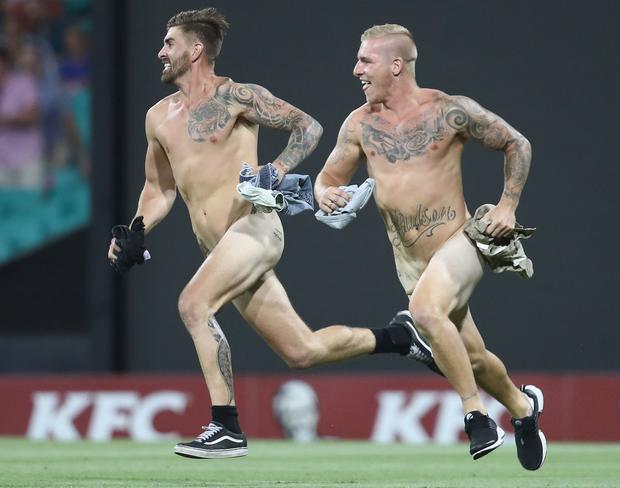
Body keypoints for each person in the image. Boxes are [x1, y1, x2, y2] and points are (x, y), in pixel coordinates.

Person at [107, 9, 435, 460]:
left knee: (192, 304)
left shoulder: (237, 96)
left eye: (169, 43)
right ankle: (400, 337)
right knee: (302, 351)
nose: (160, 51)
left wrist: (275, 169)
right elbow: (158, 189)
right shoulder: (158, 117)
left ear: (195, 50)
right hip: (221, 250)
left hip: (255, 228)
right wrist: (134, 231)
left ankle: (226, 426)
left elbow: (309, 126)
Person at [314, 24, 546, 470]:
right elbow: (330, 177)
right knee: (472, 356)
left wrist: (507, 205)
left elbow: (517, 143)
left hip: (464, 243)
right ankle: (522, 408)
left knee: (424, 314)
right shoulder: (360, 124)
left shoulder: (448, 111)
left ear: (396, 66)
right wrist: (326, 192)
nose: (356, 69)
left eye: (366, 60)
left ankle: (476, 417)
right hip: (410, 263)